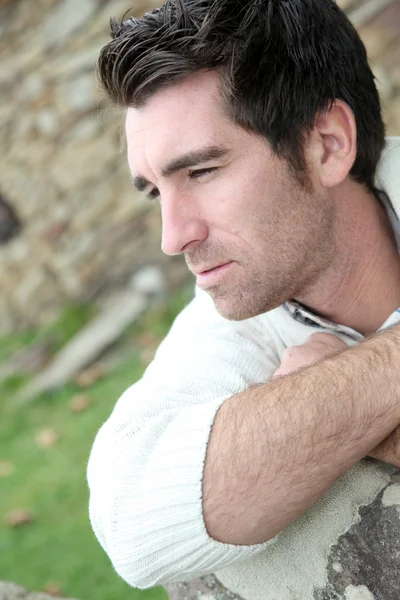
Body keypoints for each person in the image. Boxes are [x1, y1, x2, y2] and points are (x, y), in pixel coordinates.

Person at [87, 0, 400, 597]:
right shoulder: (234, 313)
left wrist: (336, 389)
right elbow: (132, 524)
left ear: (328, 144)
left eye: (202, 171)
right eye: (155, 191)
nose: (173, 236)